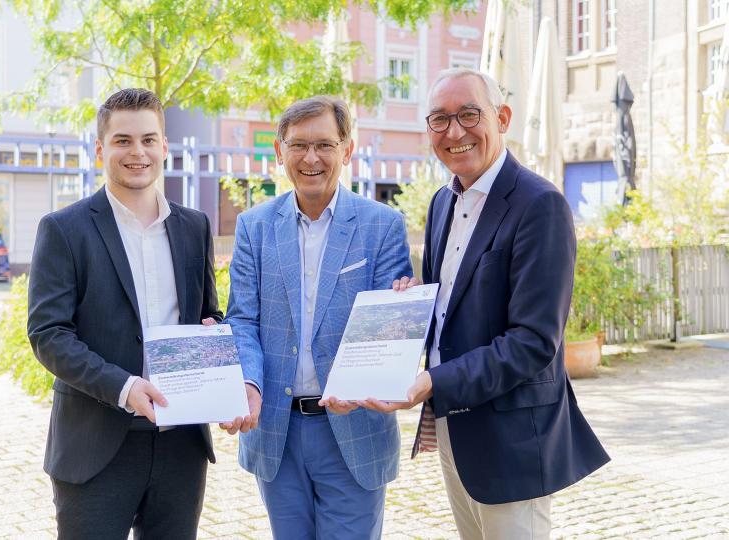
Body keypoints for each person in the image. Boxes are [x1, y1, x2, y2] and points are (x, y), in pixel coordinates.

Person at [360, 68, 610, 539]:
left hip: (514, 440)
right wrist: (412, 303)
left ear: (503, 118)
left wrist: (431, 380)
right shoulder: (441, 202)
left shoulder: (540, 204)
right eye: (439, 119)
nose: (454, 132)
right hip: (456, 427)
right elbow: (449, 308)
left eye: (469, 114)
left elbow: (533, 342)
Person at [27, 88, 222, 539]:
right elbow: (48, 333)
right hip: (95, 444)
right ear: (100, 149)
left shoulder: (194, 227)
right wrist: (125, 387)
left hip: (181, 443)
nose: (138, 152)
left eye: (149, 140)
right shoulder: (64, 229)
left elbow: (208, 312)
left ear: (164, 147)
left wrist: (217, 343)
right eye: (123, 140)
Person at [224, 96, 413, 539]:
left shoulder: (382, 225)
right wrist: (249, 383)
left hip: (353, 427)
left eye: (325, 145)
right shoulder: (254, 226)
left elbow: (388, 329)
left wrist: (400, 314)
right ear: (279, 150)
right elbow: (243, 320)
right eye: (299, 145)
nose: (311, 158)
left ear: (347, 150)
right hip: (276, 429)